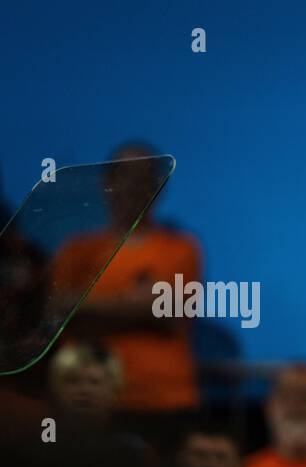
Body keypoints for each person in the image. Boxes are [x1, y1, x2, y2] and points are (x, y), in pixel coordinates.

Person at [48, 143, 202, 445]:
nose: (133, 187)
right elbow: (57, 310)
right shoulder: (75, 250)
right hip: (88, 403)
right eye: (124, 176)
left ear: (158, 187)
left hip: (163, 403)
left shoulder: (181, 249)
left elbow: (166, 313)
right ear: (106, 183)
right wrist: (135, 303)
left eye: (145, 177)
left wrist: (85, 306)